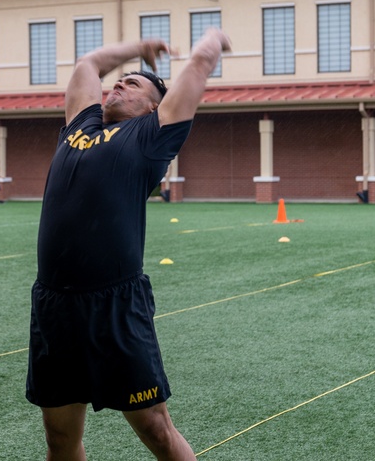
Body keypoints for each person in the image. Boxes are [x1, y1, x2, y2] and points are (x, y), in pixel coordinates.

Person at [26, 29, 231, 461]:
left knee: (156, 429)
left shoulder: (151, 137)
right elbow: (89, 65)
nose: (118, 83)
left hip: (115, 305)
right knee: (59, 439)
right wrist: (138, 50)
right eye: (120, 80)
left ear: (155, 107)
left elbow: (195, 71)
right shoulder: (82, 125)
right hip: (55, 306)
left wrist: (210, 42)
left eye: (133, 83)